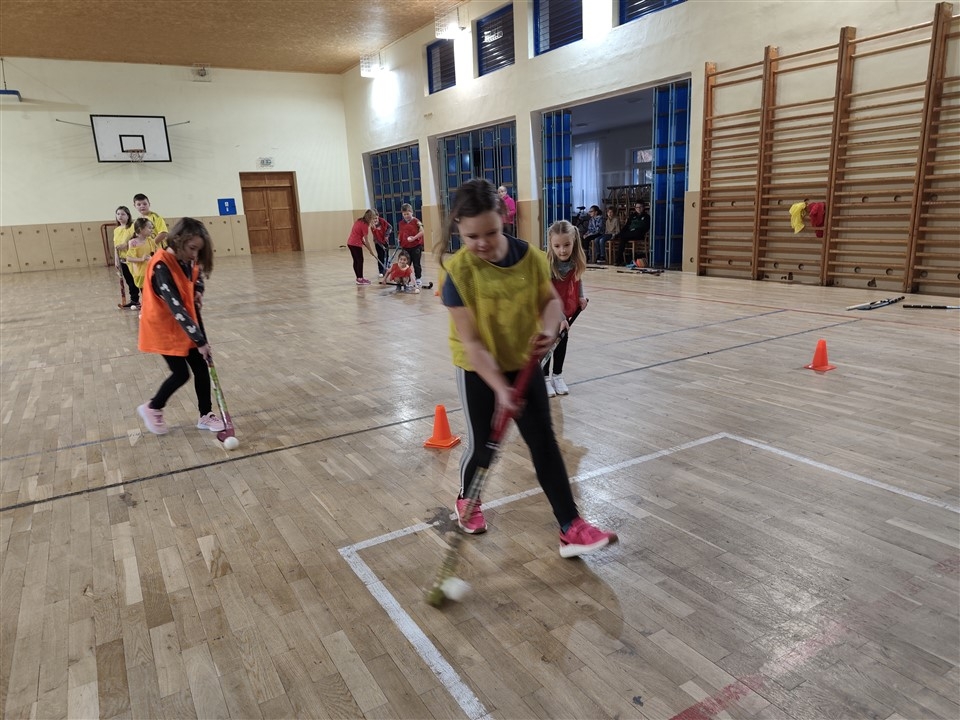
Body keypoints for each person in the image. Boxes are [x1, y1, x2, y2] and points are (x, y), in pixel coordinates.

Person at [435, 178, 617, 558]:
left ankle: (570, 526)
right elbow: (472, 343)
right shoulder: (458, 273)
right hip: (478, 368)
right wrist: (500, 390)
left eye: (490, 232)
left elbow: (550, 302)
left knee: (543, 442)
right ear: (459, 230)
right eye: (471, 236)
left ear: (503, 219)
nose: (482, 243)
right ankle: (468, 498)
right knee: (484, 445)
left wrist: (549, 331)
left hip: (522, 361)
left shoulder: (530, 258)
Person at [136, 218, 225, 436]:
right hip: (164, 329)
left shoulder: (187, 259)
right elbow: (176, 308)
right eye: (192, 248)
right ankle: (152, 407)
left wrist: (198, 291)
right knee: (181, 373)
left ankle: (205, 414)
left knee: (201, 368)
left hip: (185, 325)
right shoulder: (161, 266)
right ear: (178, 240)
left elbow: (196, 275)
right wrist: (201, 342)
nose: (195, 254)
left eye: (198, 250)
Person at [543, 220, 589, 398]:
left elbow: (578, 279)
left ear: (574, 242)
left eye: (566, 245)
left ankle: (557, 376)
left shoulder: (575, 261)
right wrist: (561, 317)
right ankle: (544, 378)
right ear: (551, 245)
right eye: (557, 246)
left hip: (563, 307)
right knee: (549, 342)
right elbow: (547, 293)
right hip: (547, 308)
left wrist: (580, 297)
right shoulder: (548, 264)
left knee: (561, 341)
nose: (562, 250)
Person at [113, 205, 139, 308]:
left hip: (132, 259)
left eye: (123, 214)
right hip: (122, 259)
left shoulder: (133, 227)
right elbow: (115, 246)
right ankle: (134, 300)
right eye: (118, 214)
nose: (120, 216)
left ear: (128, 216)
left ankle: (145, 300)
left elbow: (138, 240)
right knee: (129, 281)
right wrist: (116, 260)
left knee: (136, 280)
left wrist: (126, 244)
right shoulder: (116, 230)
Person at [125, 217, 155, 296]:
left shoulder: (150, 241)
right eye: (149, 228)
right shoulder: (133, 242)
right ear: (141, 229)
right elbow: (129, 258)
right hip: (141, 273)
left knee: (153, 293)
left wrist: (152, 259)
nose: (152, 230)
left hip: (151, 271)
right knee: (145, 293)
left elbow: (154, 254)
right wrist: (141, 259)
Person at [397, 203, 425, 288]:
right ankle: (406, 279)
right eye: (404, 214)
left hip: (416, 246)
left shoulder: (416, 221)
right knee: (406, 264)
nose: (406, 216)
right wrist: (399, 239)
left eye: (407, 214)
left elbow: (422, 232)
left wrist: (414, 238)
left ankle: (418, 278)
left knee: (416, 263)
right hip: (405, 247)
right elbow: (401, 233)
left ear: (411, 212)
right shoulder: (401, 223)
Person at [346, 209, 377, 285]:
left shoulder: (359, 221)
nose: (373, 220)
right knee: (360, 260)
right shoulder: (365, 225)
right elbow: (367, 241)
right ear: (369, 217)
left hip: (350, 243)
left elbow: (358, 234)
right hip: (355, 244)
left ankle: (358, 278)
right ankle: (360, 278)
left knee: (356, 261)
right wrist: (371, 251)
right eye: (373, 218)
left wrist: (362, 241)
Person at [618, 201, 650, 265]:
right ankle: (619, 260)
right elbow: (627, 225)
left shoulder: (647, 216)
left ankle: (623, 235)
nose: (639, 209)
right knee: (622, 239)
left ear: (643, 208)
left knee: (626, 235)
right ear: (635, 208)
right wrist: (622, 232)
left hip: (639, 234)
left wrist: (636, 229)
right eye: (637, 207)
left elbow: (646, 227)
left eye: (640, 207)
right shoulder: (632, 216)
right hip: (630, 233)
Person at [370, 210, 393, 279]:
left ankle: (386, 267)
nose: (375, 220)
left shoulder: (382, 221)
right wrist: (381, 245)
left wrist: (386, 235)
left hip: (385, 241)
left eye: (376, 218)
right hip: (378, 243)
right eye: (373, 219)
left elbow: (390, 227)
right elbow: (376, 237)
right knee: (380, 256)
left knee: (386, 255)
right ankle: (381, 270)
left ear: (378, 217)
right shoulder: (372, 226)